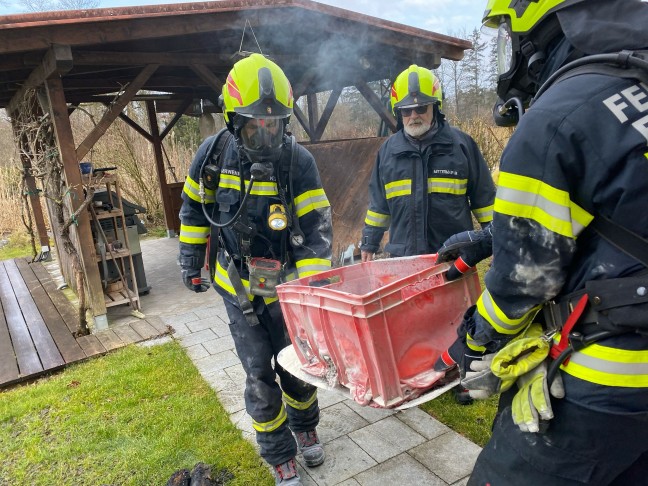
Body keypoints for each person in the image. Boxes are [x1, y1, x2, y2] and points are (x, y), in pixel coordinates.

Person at [434, 0, 648, 484]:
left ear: (537, 32)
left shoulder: (558, 117)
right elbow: (621, 208)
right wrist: (490, 237)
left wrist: (472, 341)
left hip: (609, 380)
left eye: (508, 33)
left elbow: (524, 282)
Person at [178, 53, 333, 486]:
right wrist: (191, 261)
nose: (264, 136)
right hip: (239, 290)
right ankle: (279, 455)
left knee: (299, 368)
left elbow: (318, 230)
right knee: (259, 374)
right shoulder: (211, 157)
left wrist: (312, 291)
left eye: (274, 126)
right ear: (232, 121)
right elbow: (193, 212)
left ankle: (306, 429)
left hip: (286, 291)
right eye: (253, 127)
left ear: (286, 122)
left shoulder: (298, 163)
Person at [360, 65, 496, 403]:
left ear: (436, 107)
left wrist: (497, 240)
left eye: (422, 107)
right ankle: (418, 374)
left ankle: (461, 378)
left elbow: (485, 201)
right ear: (399, 112)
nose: (414, 114)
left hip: (453, 257)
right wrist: (369, 242)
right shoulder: (387, 152)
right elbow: (379, 204)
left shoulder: (462, 145)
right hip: (404, 257)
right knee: (411, 321)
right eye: (407, 109)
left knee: (458, 319)